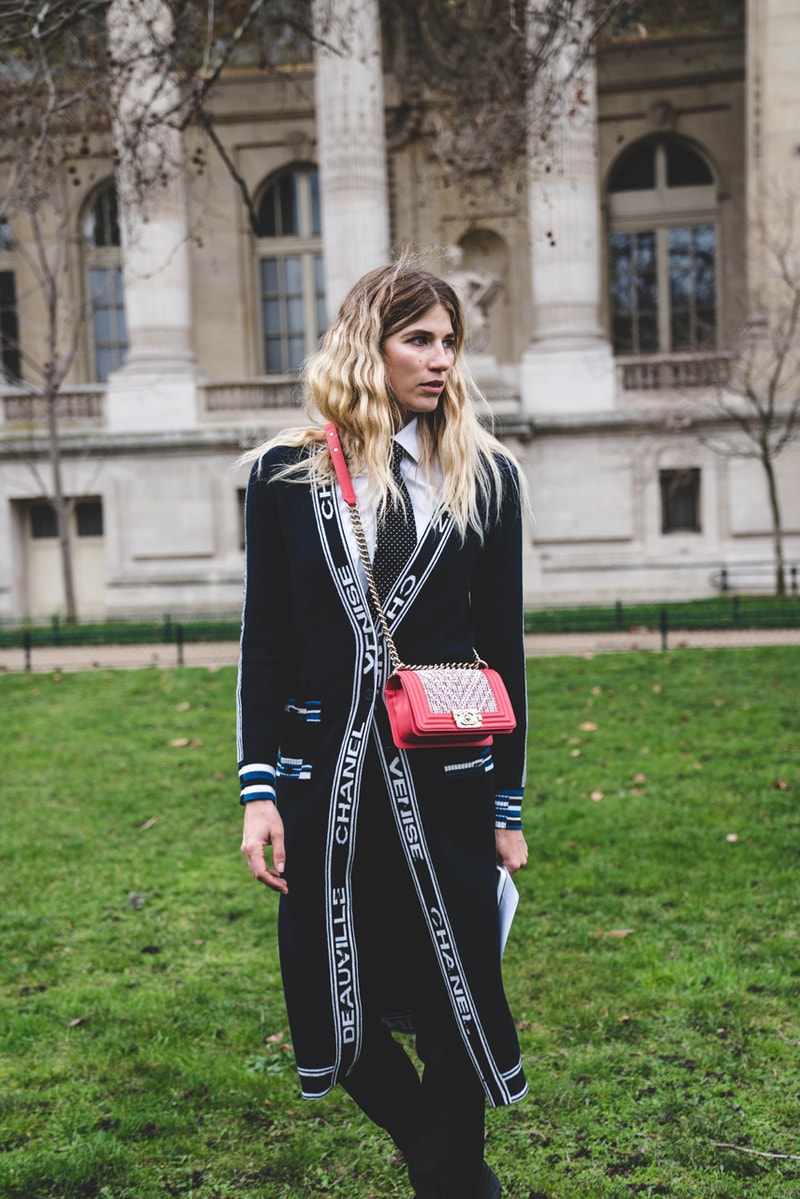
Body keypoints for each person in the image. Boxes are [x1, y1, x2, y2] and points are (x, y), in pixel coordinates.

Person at [237, 259, 529, 1199]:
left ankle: (455, 1185)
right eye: (420, 339)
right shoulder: (284, 477)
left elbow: (505, 653)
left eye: (450, 341)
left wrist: (507, 804)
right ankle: (436, 1156)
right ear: (371, 344)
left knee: (455, 1003)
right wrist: (259, 792)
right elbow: (266, 646)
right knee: (337, 1004)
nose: (441, 359)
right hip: (324, 788)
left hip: (449, 787)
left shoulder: (484, 475)